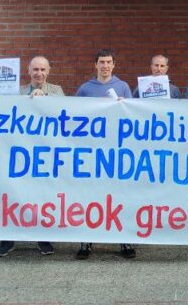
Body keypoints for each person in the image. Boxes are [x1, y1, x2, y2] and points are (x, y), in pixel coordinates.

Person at [0, 55, 63, 257]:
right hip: (19, 152)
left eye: (42, 69)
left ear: (48, 71)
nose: (39, 73)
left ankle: (43, 238)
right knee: (13, 193)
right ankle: (7, 239)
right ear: (28, 71)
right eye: (35, 69)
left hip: (44, 153)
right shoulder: (17, 91)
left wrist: (45, 98)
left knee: (42, 196)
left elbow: (64, 111)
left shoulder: (57, 91)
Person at [74, 50, 136, 259]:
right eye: (101, 62)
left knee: (119, 195)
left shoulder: (123, 86)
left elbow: (133, 116)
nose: (105, 66)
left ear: (114, 65)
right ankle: (86, 241)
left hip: (117, 150)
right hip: (92, 150)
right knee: (90, 196)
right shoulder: (85, 88)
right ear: (95, 65)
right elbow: (75, 114)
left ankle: (124, 240)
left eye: (108, 62)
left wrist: (125, 105)